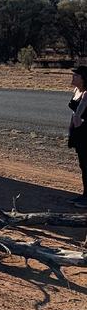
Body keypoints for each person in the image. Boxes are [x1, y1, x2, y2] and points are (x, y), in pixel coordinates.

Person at [67, 64, 87, 207]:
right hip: (79, 133)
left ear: (84, 79)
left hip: (85, 132)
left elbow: (78, 115)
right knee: (83, 165)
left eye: (76, 75)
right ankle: (85, 195)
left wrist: (77, 124)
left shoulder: (86, 94)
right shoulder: (76, 90)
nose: (73, 77)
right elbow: (74, 114)